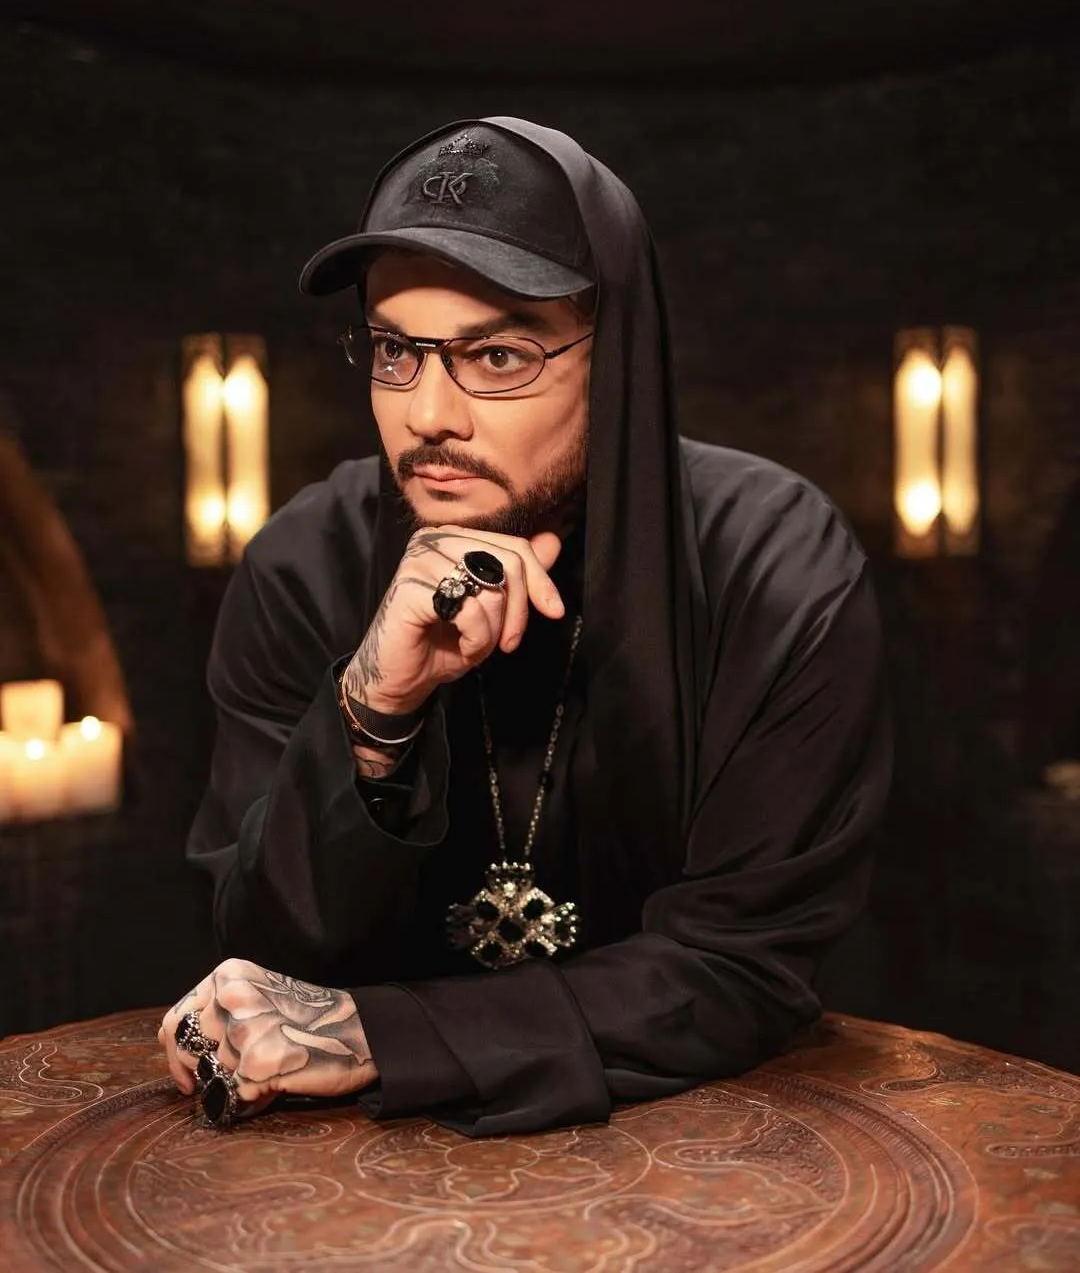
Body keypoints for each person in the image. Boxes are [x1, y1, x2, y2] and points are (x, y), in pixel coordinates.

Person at [158, 117, 892, 1136]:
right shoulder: (302, 562)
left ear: (616, 359)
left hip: (707, 1145)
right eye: (395, 351)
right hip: (351, 1159)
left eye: (498, 356)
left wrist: (380, 1035)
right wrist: (374, 711)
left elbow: (742, 968)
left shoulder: (773, 562)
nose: (428, 415)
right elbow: (262, 960)